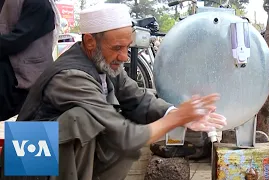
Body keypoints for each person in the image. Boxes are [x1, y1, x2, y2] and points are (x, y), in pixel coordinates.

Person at [10, 3, 227, 180]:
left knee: (124, 122)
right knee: (86, 121)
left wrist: (174, 114)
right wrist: (178, 118)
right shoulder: (70, 76)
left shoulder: (105, 63)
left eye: (127, 47)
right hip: (28, 167)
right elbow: (124, 135)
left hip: (52, 162)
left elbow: (138, 99)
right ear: (90, 42)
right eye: (116, 48)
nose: (124, 56)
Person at [0, 0, 59, 121]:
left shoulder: (38, 3)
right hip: (8, 80)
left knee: (31, 131)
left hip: (29, 82)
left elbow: (17, 40)